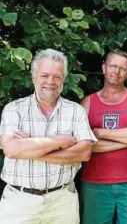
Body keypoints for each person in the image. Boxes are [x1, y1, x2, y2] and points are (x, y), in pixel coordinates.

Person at [0, 48, 97, 223]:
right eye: (45, 75)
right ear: (34, 77)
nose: (50, 81)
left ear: (63, 80)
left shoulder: (76, 111)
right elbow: (11, 149)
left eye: (57, 77)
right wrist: (58, 141)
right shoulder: (14, 109)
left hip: (62, 203)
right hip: (19, 203)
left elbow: (84, 153)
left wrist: (31, 149)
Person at [81, 49, 127, 224]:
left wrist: (99, 132)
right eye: (113, 66)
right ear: (104, 67)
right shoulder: (88, 102)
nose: (116, 72)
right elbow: (84, 145)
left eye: (122, 68)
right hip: (94, 184)